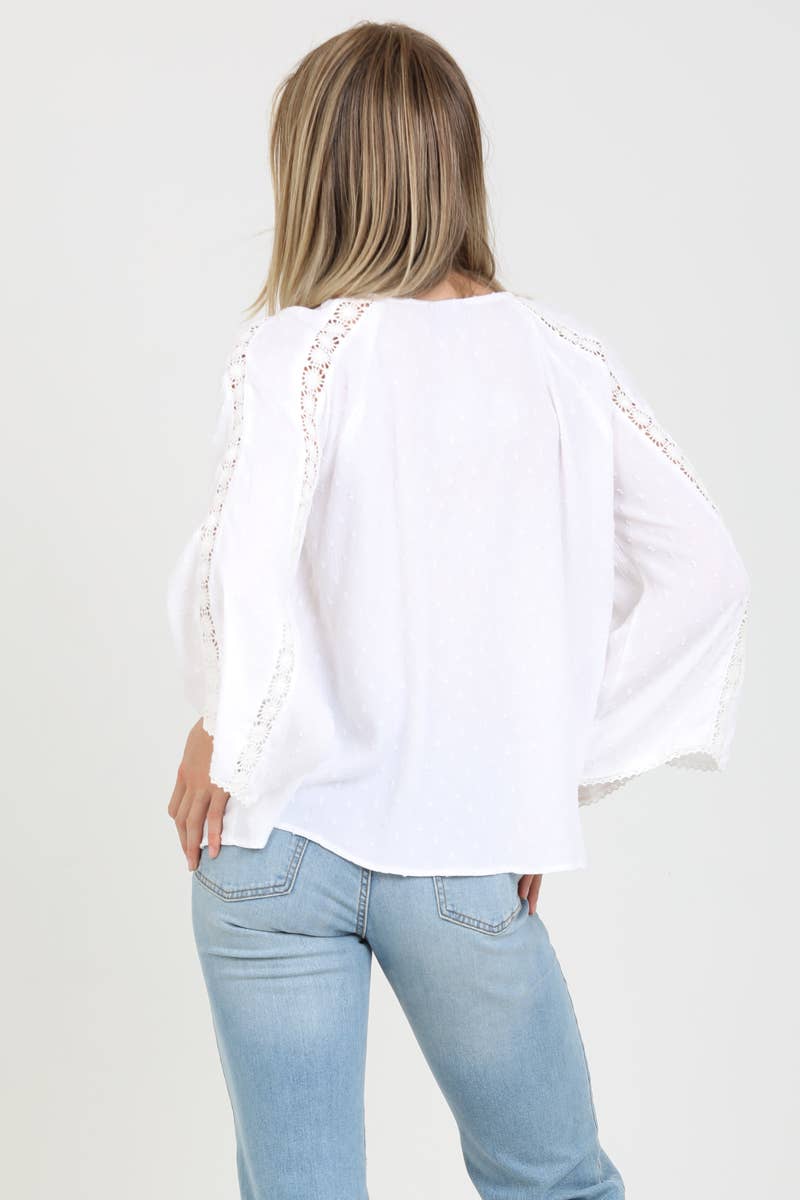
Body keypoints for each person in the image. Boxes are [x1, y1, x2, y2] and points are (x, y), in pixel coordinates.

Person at [165, 20, 749, 1200]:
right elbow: (705, 571)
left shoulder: (292, 351)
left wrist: (225, 725)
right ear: (455, 165)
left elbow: (243, 561)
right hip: (459, 856)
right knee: (554, 1184)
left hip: (271, 844)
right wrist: (541, 779)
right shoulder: (561, 359)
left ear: (314, 173)